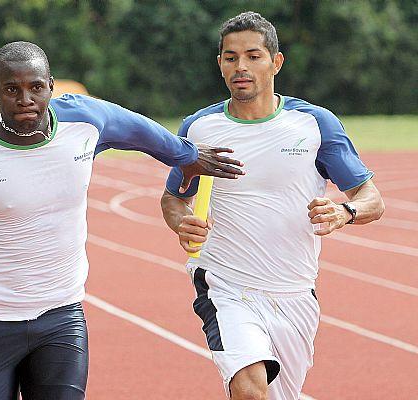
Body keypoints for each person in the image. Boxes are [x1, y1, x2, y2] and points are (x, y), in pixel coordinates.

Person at [0, 41, 244, 399]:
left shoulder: (83, 121)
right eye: (11, 89)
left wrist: (184, 154)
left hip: (62, 315)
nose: (25, 100)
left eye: (35, 87)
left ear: (51, 86)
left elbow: (137, 129)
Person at [161, 12, 384, 400]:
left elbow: (371, 200)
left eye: (253, 56)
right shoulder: (199, 129)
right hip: (224, 283)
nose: (241, 67)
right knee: (250, 391)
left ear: (276, 62)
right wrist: (182, 223)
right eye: (230, 58)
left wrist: (344, 213)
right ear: (220, 65)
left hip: (295, 291)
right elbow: (174, 198)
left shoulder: (314, 124)